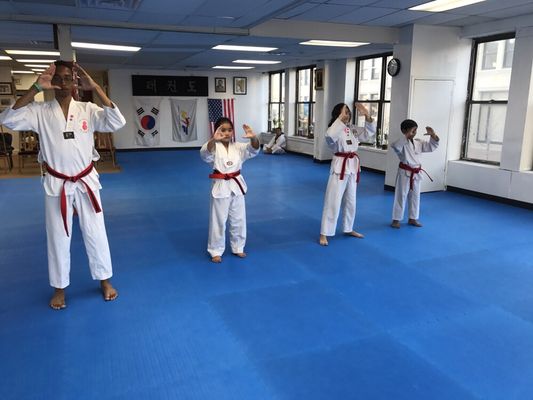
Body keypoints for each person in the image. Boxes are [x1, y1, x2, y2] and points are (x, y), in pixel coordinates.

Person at [0, 61, 126, 310]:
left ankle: (104, 280)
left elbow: (116, 122)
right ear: (53, 81)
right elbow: (9, 119)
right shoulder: (39, 111)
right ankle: (59, 287)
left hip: (86, 180)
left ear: (75, 81)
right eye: (58, 78)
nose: (63, 82)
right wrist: (35, 86)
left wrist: (96, 88)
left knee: (96, 232)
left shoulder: (87, 109)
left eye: (68, 78)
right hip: (56, 183)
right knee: (58, 235)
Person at [200, 117, 259, 263]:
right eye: (223, 130)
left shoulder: (238, 146)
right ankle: (215, 250)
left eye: (229, 130)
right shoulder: (213, 146)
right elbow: (204, 155)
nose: (226, 133)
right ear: (217, 131)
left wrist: (254, 138)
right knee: (218, 220)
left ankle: (238, 247)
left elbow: (253, 150)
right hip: (220, 186)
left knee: (239, 219)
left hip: (236, 185)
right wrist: (213, 140)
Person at [319, 102, 376, 246]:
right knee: (333, 200)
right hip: (340, 167)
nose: (348, 115)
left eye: (349, 112)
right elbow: (330, 138)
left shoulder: (352, 129)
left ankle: (348, 228)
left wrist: (367, 116)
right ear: (337, 114)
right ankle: (324, 232)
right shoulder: (334, 129)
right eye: (344, 112)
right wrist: (340, 121)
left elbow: (369, 133)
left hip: (352, 166)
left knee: (351, 200)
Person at [390, 119, 439, 229]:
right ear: (404, 130)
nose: (414, 133)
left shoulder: (418, 142)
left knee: (415, 196)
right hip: (405, 172)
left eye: (415, 130)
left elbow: (431, 147)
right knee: (401, 195)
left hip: (416, 173)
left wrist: (433, 135)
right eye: (412, 130)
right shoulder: (400, 143)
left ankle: (413, 218)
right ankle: (396, 219)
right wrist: (407, 136)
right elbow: (395, 146)